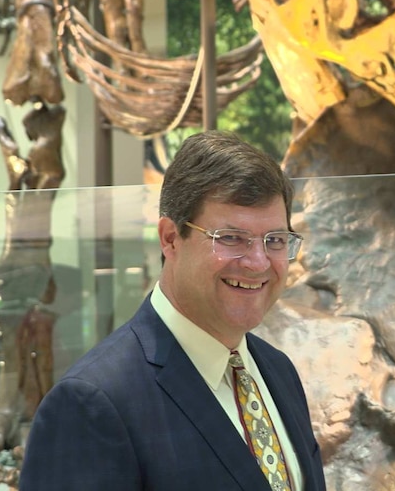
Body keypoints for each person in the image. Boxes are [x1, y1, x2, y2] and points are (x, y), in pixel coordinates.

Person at [19, 130, 326, 490]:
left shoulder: (278, 371)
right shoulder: (92, 404)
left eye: (274, 240)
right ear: (169, 238)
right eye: (230, 238)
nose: (258, 263)